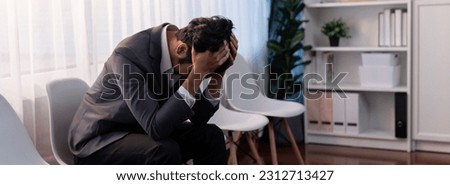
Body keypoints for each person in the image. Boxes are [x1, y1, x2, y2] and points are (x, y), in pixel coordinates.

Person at [68, 16, 238, 165]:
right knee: (165, 151)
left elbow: (199, 118)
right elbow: (156, 128)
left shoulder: (187, 47)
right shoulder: (128, 55)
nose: (198, 77)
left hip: (139, 130)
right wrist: (197, 73)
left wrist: (218, 74)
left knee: (211, 136)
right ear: (181, 50)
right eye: (196, 71)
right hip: (98, 143)